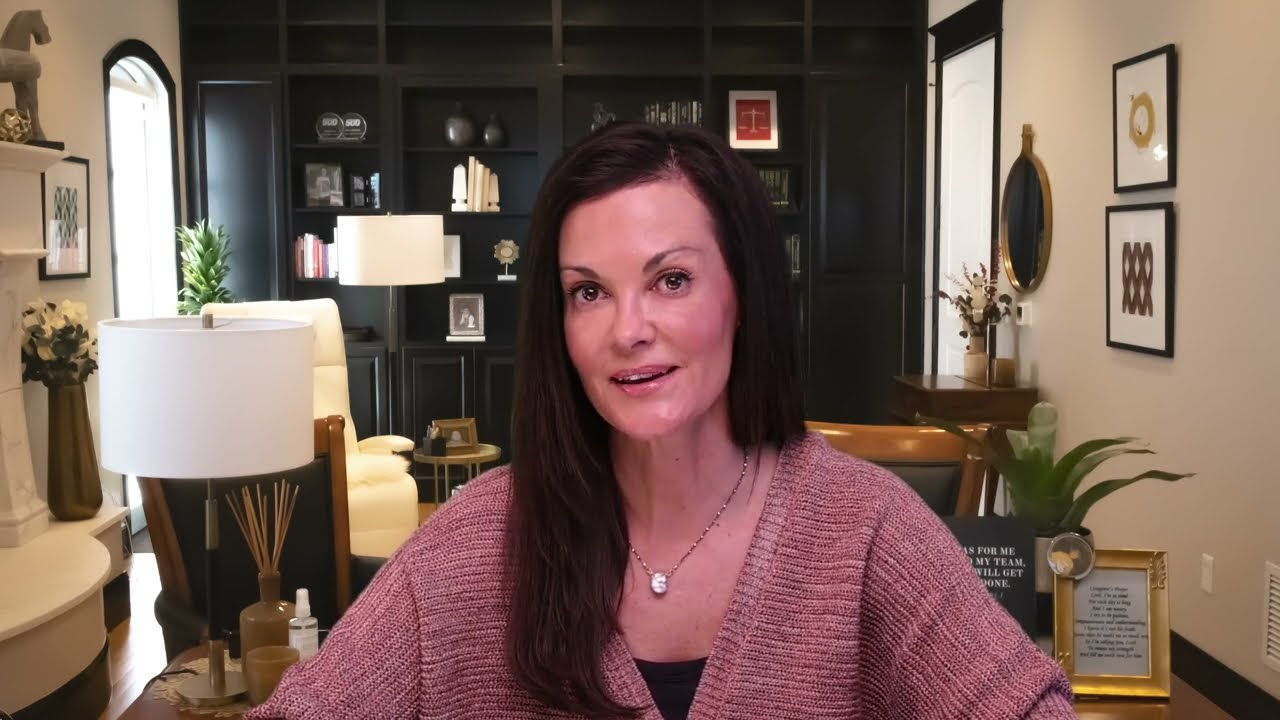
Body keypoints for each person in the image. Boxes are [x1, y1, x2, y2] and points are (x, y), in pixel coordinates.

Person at [247, 122, 1076, 719]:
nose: (627, 329)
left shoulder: (863, 530)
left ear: (742, 294)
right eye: (589, 291)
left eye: (671, 280)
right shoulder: (474, 544)